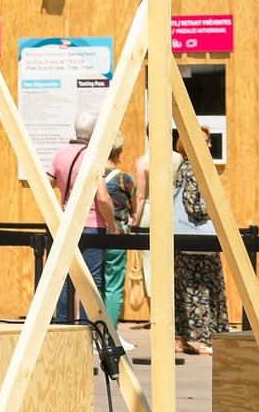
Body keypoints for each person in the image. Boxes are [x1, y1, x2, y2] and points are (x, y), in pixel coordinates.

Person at [48, 111, 120, 323]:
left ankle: (63, 325)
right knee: (91, 280)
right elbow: (103, 197)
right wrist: (112, 224)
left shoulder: (60, 153)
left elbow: (47, 182)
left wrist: (61, 205)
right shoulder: (93, 156)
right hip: (91, 226)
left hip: (66, 224)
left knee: (64, 277)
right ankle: (91, 327)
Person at [172, 123, 228, 355]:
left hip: (182, 237)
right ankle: (204, 339)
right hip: (198, 240)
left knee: (184, 289)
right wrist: (217, 209)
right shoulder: (197, 168)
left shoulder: (183, 167)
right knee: (203, 287)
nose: (210, 144)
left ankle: (181, 338)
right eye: (205, 141)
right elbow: (194, 204)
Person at [130, 127, 182, 303]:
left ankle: (155, 317)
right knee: (170, 263)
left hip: (149, 215)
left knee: (150, 265)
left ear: (148, 136)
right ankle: (172, 312)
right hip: (171, 213)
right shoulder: (178, 158)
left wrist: (134, 222)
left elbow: (141, 196)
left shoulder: (143, 162)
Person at [103, 134, 135, 326]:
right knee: (114, 285)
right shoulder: (124, 180)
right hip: (118, 234)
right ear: (119, 153)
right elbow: (134, 205)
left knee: (96, 283)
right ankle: (111, 333)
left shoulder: (93, 176)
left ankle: (94, 331)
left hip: (95, 233)